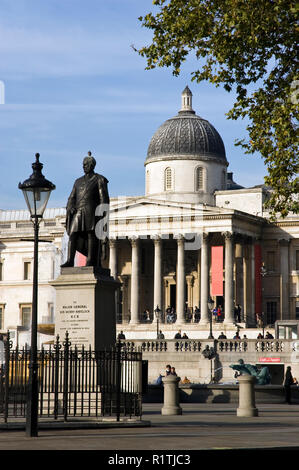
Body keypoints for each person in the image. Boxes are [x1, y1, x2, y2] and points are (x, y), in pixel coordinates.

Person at [61, 152, 110, 268]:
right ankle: (70, 260)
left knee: (91, 235)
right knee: (72, 234)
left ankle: (91, 260)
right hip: (78, 212)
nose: (84, 167)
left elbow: (104, 199)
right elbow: (71, 197)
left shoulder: (99, 179)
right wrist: (70, 206)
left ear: (92, 165)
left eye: (86, 164)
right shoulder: (77, 181)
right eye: (83, 164)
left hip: (91, 212)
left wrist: (101, 216)